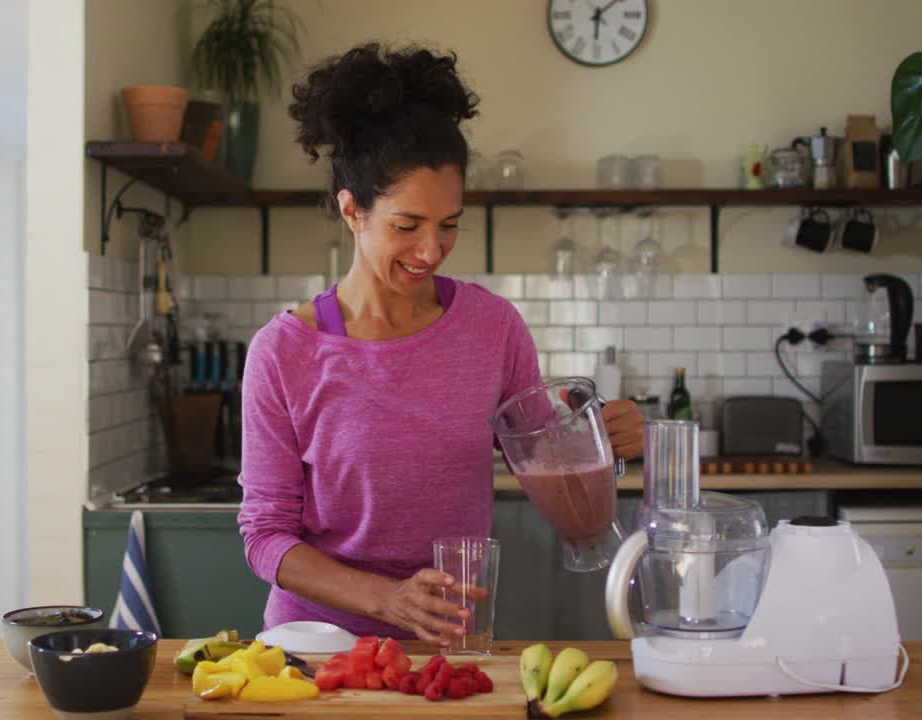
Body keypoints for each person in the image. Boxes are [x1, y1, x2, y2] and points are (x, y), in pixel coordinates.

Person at [237, 43, 645, 646]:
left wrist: (604, 444)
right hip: (317, 653)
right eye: (407, 226)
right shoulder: (284, 352)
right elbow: (265, 537)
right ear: (352, 210)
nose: (431, 250)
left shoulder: (493, 328)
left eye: (449, 224)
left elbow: (550, 471)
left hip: (446, 650)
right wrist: (387, 600)